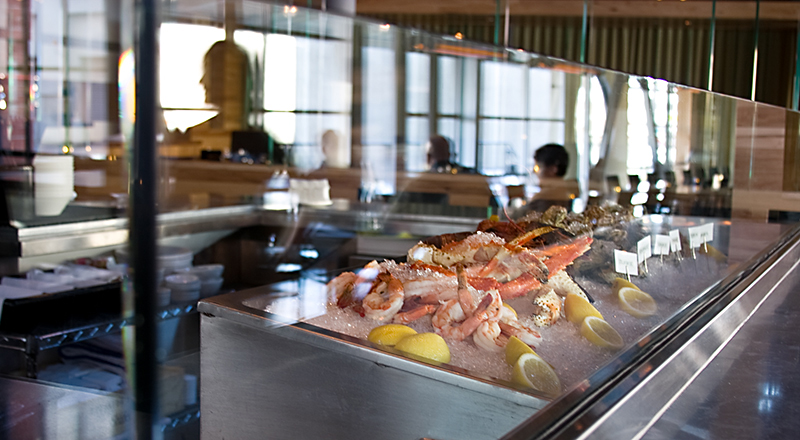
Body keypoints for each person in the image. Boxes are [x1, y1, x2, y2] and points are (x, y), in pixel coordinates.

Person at [529, 143, 578, 210]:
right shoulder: (568, 191)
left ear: (553, 169)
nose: (534, 172)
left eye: (537, 167)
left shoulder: (545, 198)